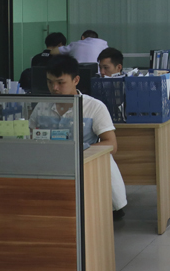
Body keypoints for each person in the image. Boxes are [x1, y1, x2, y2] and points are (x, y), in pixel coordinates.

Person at [28, 55, 128, 217]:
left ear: (76, 80)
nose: (54, 88)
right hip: (52, 168)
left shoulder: (94, 107)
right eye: (50, 82)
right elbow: (30, 137)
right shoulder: (42, 106)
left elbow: (111, 145)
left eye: (60, 82)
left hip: (85, 166)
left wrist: (79, 150)